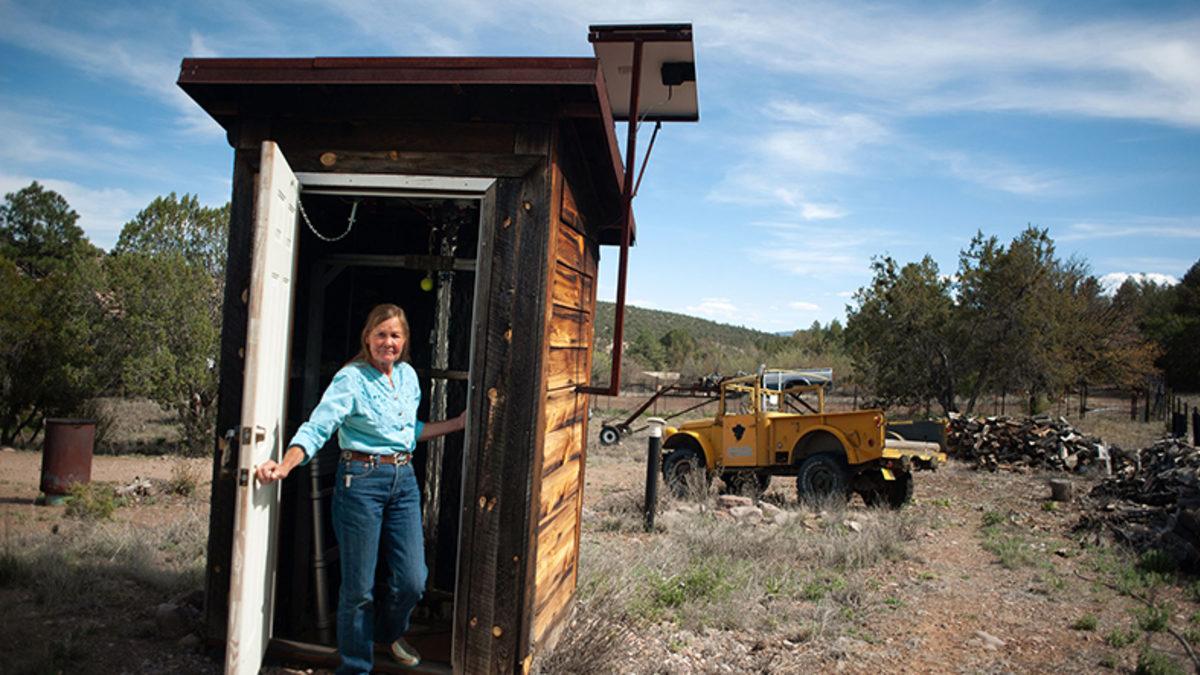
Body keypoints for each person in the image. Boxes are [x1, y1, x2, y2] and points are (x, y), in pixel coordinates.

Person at [257, 303, 465, 674]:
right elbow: (318, 426)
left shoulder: (407, 377)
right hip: (360, 481)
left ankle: (387, 633)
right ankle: (355, 667)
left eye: (395, 335)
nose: (388, 342)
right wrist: (285, 464)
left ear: (405, 340)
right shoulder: (350, 379)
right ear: (367, 338)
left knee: (413, 581)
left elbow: (408, 432)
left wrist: (458, 423)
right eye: (381, 334)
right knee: (358, 589)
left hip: (403, 481)